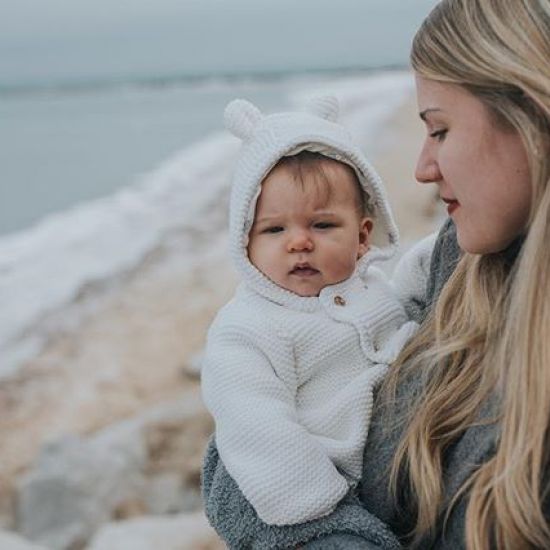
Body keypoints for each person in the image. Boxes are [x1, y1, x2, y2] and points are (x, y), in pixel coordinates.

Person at [202, 0, 550, 548]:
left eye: (439, 130)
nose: (421, 169)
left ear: (529, 118)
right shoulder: (462, 261)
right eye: (272, 231)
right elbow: (249, 449)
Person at [201, 97, 428, 528]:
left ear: (363, 237)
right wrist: (314, 503)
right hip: (343, 488)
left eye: (322, 226)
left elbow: (403, 311)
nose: (299, 242)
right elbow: (253, 420)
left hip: (413, 451)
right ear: (244, 242)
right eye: (274, 229)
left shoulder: (367, 286)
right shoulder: (247, 328)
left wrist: (429, 263)